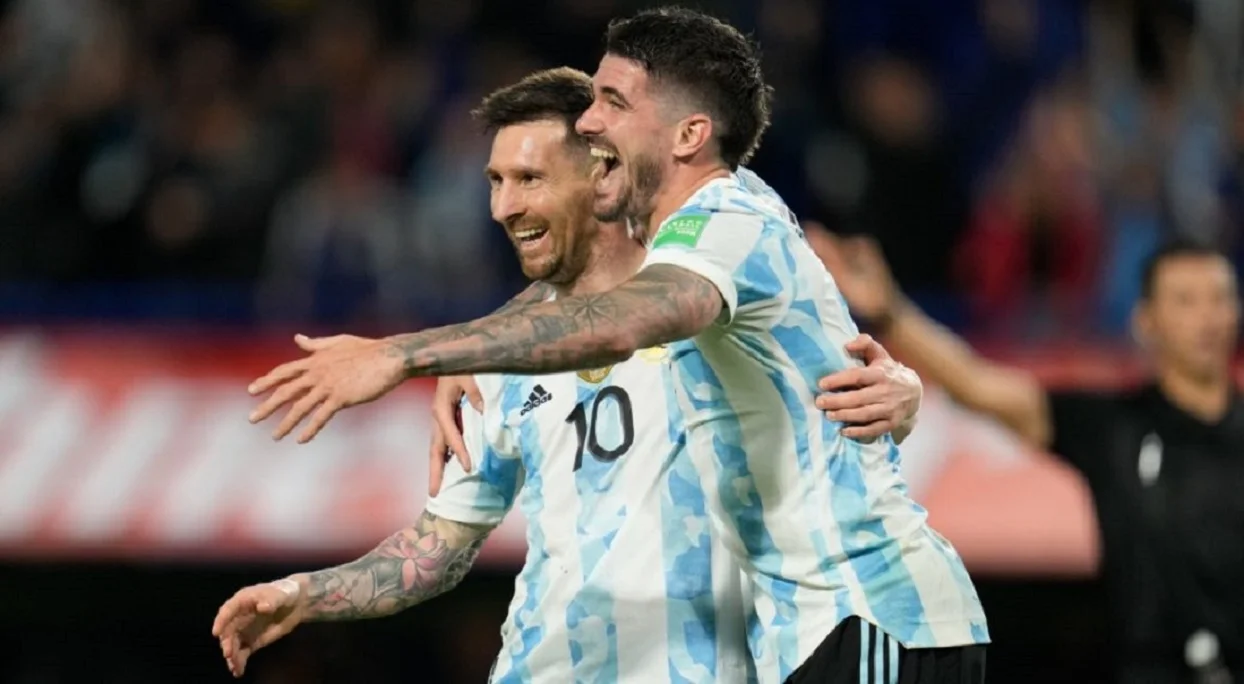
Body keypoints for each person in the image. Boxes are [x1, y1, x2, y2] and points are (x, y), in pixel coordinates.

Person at [244, 8, 989, 683]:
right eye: (496, 181)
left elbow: (634, 317)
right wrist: (306, 594)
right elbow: (439, 544)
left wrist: (407, 353)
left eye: (530, 177)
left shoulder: (723, 238)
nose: (504, 206)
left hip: (855, 615)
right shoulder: (509, 351)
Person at [815, 231, 1244, 683]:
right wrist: (890, 313)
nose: (1207, 317)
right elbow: (977, 384)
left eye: (1219, 298)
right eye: (1186, 300)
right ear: (1146, 320)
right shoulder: (1115, 427)